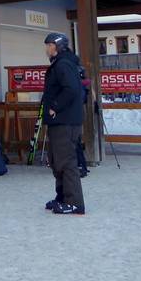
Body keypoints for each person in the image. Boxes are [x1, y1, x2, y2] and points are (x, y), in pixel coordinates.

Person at [41, 32, 86, 215]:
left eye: (48, 45)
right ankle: (62, 197)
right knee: (56, 160)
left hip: (65, 121)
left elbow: (72, 89)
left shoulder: (63, 64)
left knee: (66, 161)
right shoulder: (61, 63)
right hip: (61, 121)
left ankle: (74, 202)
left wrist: (55, 106)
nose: (46, 49)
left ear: (56, 46)